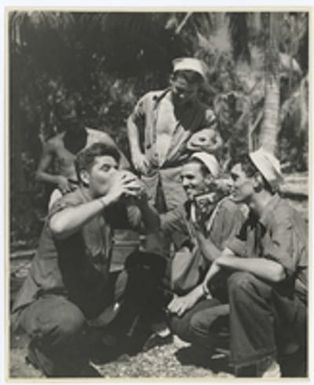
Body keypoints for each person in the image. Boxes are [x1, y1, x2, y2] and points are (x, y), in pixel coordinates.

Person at [11, 143, 161, 377]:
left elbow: (152, 226)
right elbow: (59, 226)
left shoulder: (111, 205)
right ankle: (41, 351)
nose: (114, 174)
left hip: (87, 294)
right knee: (68, 321)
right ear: (84, 176)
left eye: (116, 168)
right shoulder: (72, 200)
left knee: (146, 268)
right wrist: (110, 198)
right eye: (105, 169)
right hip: (48, 299)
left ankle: (103, 342)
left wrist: (142, 200)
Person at [203, 147, 307, 377]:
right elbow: (227, 252)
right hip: (285, 305)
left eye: (235, 177)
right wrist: (203, 286)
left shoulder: (282, 215)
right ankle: (272, 352)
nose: (230, 184)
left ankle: (267, 361)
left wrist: (226, 262)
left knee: (242, 282)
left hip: (304, 309)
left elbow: (277, 271)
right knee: (197, 323)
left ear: (257, 180)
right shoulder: (253, 218)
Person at [159, 152, 245, 355]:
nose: (184, 183)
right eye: (181, 178)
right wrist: (141, 202)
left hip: (228, 288)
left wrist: (198, 231)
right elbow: (159, 223)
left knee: (191, 324)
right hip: (208, 285)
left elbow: (226, 263)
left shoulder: (229, 210)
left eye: (190, 177)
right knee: (177, 321)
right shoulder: (190, 207)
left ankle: (248, 347)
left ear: (209, 179)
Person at [36, 98, 129, 208]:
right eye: (67, 123)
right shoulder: (54, 143)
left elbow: (125, 164)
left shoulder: (100, 138)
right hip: (68, 192)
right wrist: (58, 179)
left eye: (75, 122)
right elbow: (39, 175)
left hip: (98, 191)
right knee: (56, 215)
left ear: (82, 118)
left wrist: (109, 181)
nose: (72, 127)